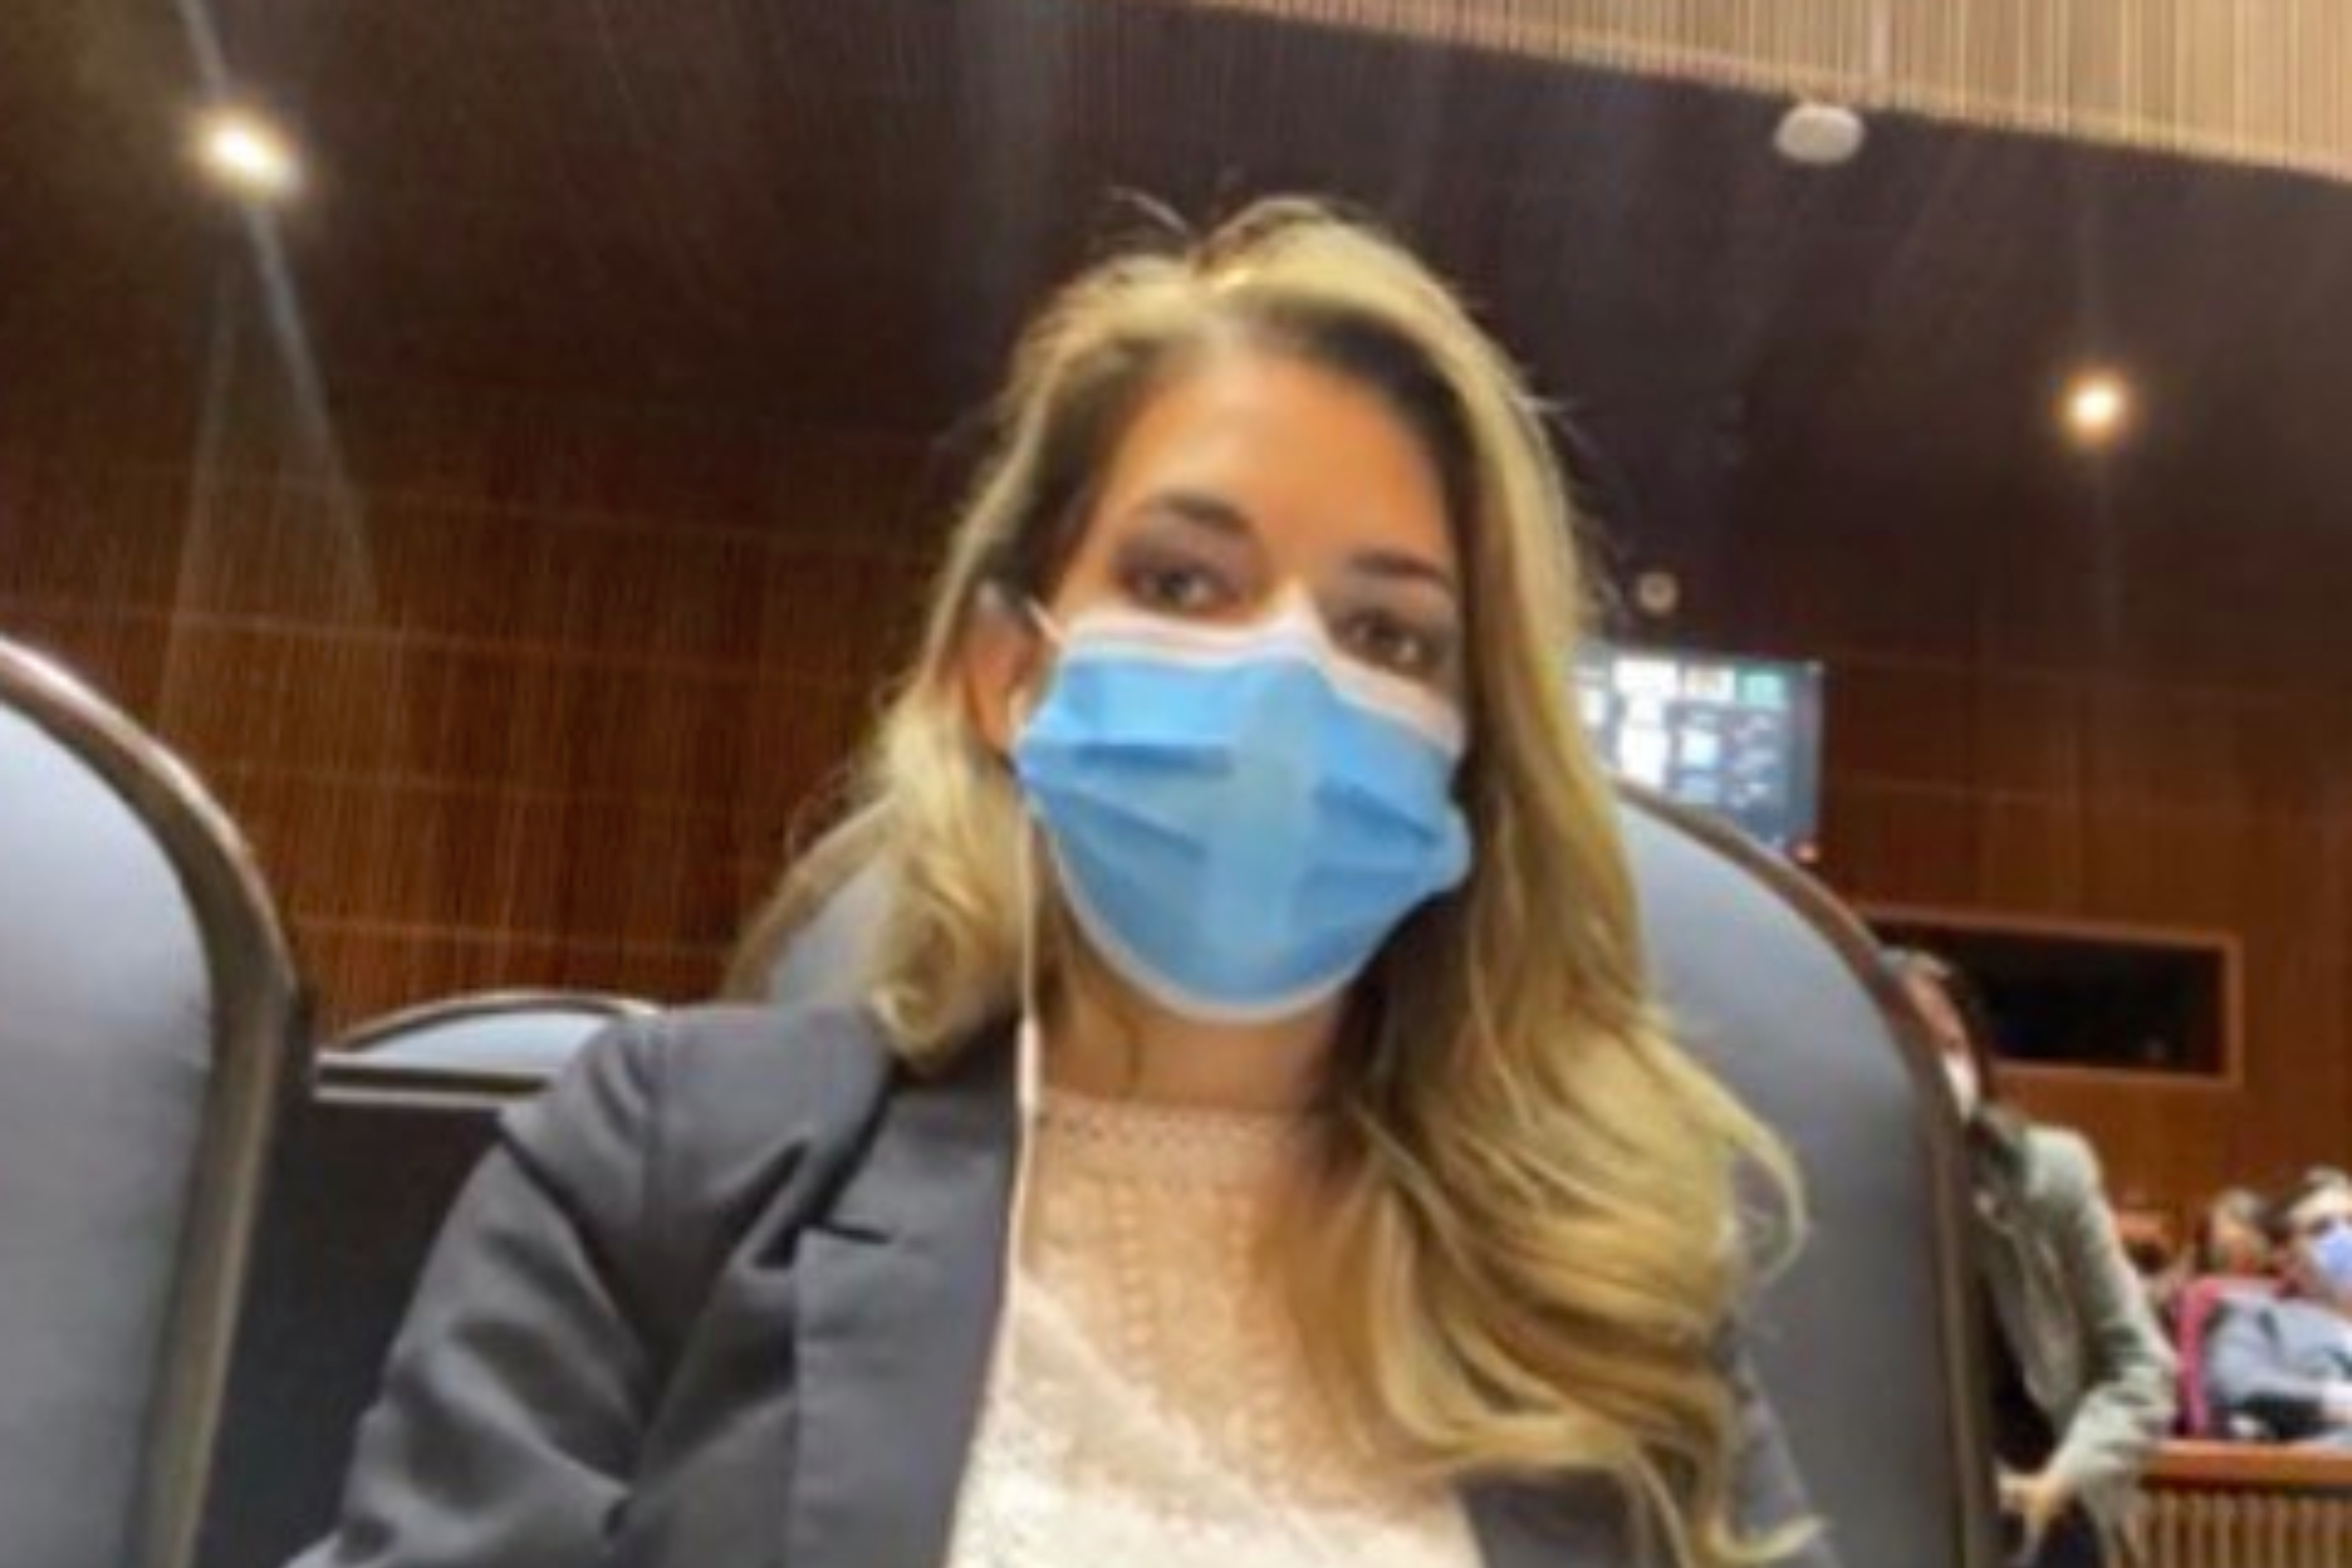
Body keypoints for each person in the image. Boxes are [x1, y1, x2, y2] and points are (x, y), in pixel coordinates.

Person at [294, 200, 1833, 1568]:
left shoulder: (1602, 1274)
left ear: (1465, 758)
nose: (1283, 674)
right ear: (1005, 672)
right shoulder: (661, 1161)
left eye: (1387, 633)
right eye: (1181, 580)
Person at [1886, 950, 2175, 1568]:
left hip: (2039, 1511)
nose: (1938, 1065)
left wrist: (2063, 1480)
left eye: (1951, 1045)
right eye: (1910, 1044)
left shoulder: (2049, 1177)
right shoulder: (1822, 1196)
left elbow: (2140, 1369)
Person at [2203, 1169, 2352, 1447]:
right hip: (2321, 1462)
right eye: (2322, 1229)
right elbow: (2240, 1384)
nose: (2346, 1238)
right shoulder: (2254, 1317)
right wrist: (2342, 1400)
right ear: (2284, 1258)